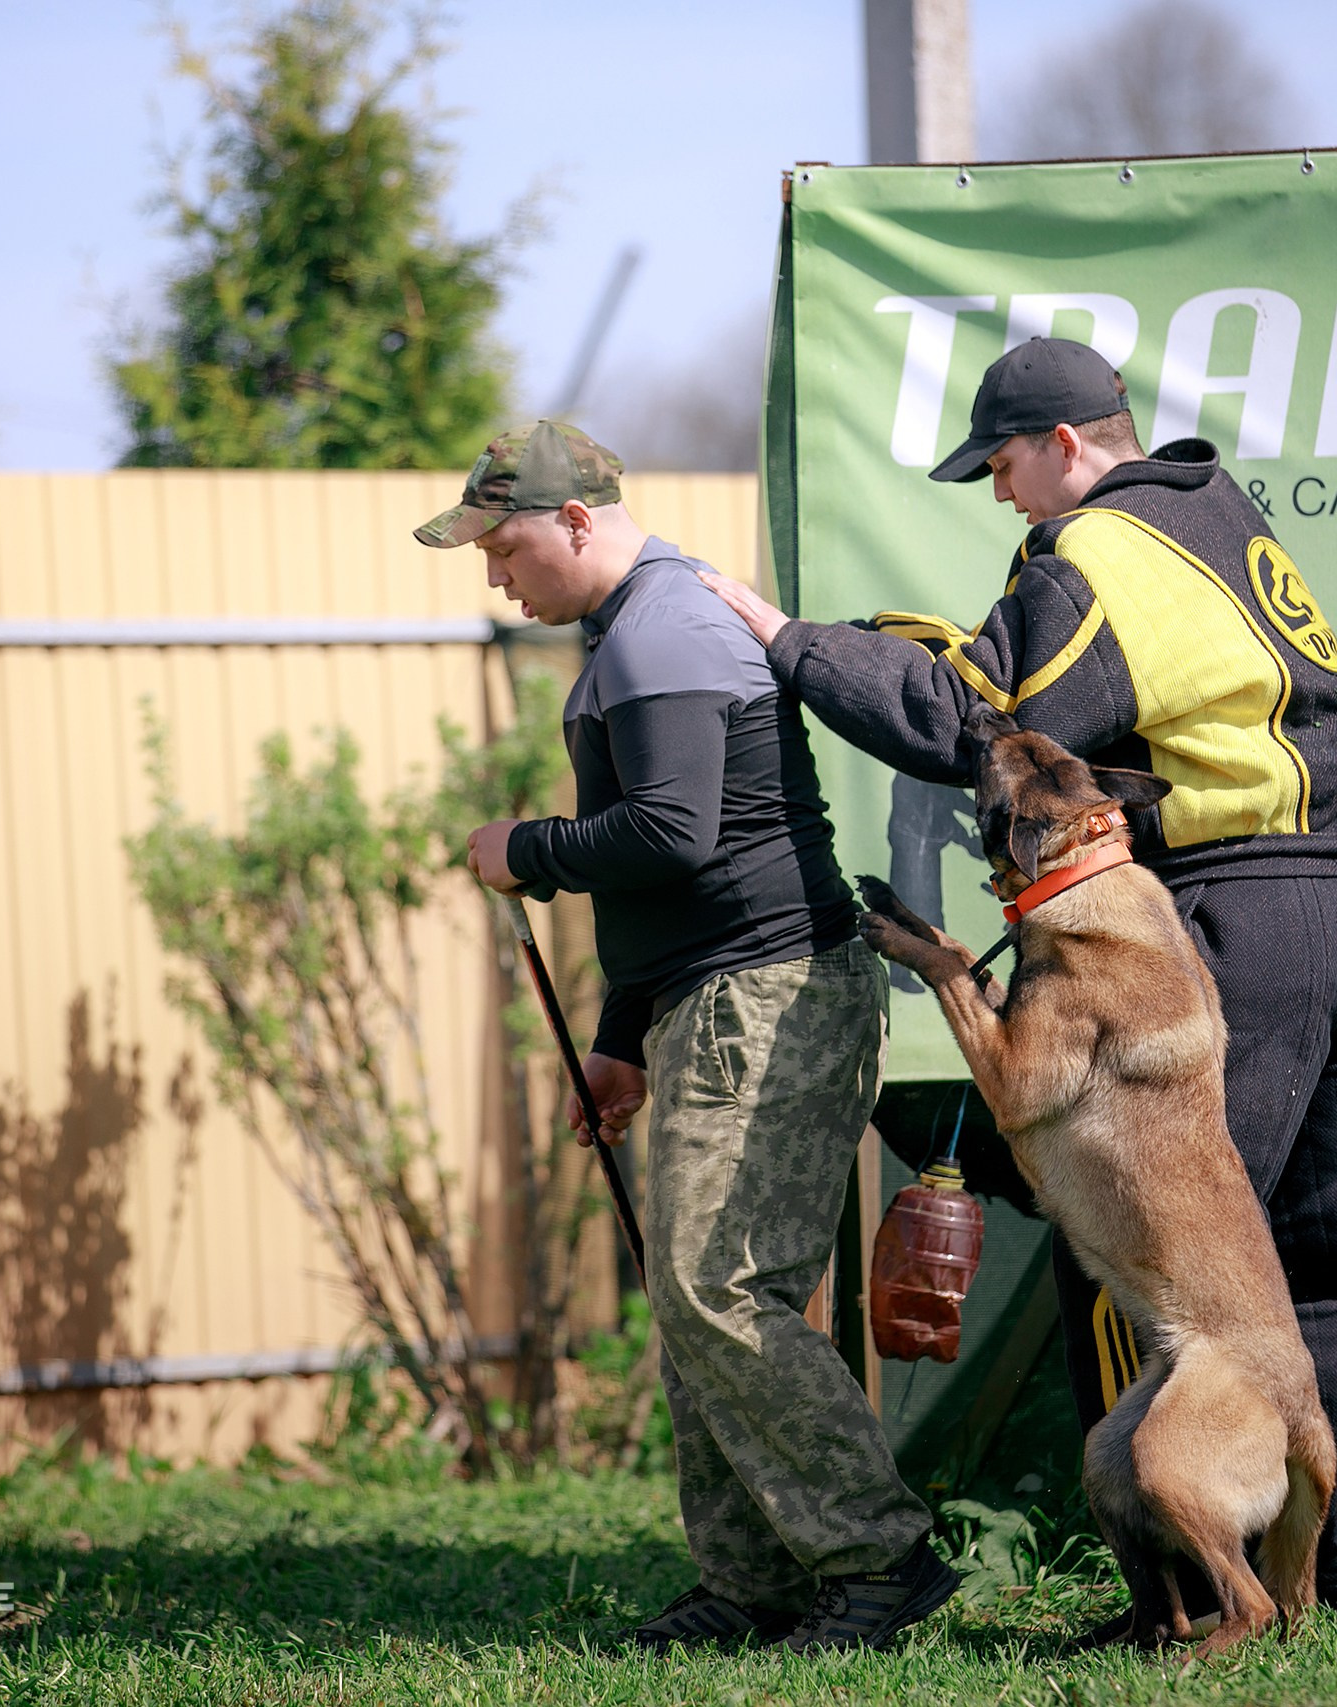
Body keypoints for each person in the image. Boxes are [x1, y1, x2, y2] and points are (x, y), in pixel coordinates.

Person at [702, 338, 1337, 1613]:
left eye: (1003, 462)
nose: (998, 493)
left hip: (1241, 906)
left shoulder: (1085, 550)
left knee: (1149, 1267)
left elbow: (964, 719)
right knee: (1327, 1254)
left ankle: (1181, 1601)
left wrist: (791, 642)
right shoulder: (1211, 509)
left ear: (1067, 443)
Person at [418, 420, 957, 1653]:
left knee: (722, 1289)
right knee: (695, 1296)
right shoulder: (632, 632)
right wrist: (618, 1036)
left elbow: (671, 835)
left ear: (572, 521)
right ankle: (755, 1581)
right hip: (709, 998)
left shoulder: (663, 627)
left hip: (767, 995)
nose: (494, 575)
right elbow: (666, 875)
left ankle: (879, 1560)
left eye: (501, 547)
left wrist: (527, 851)